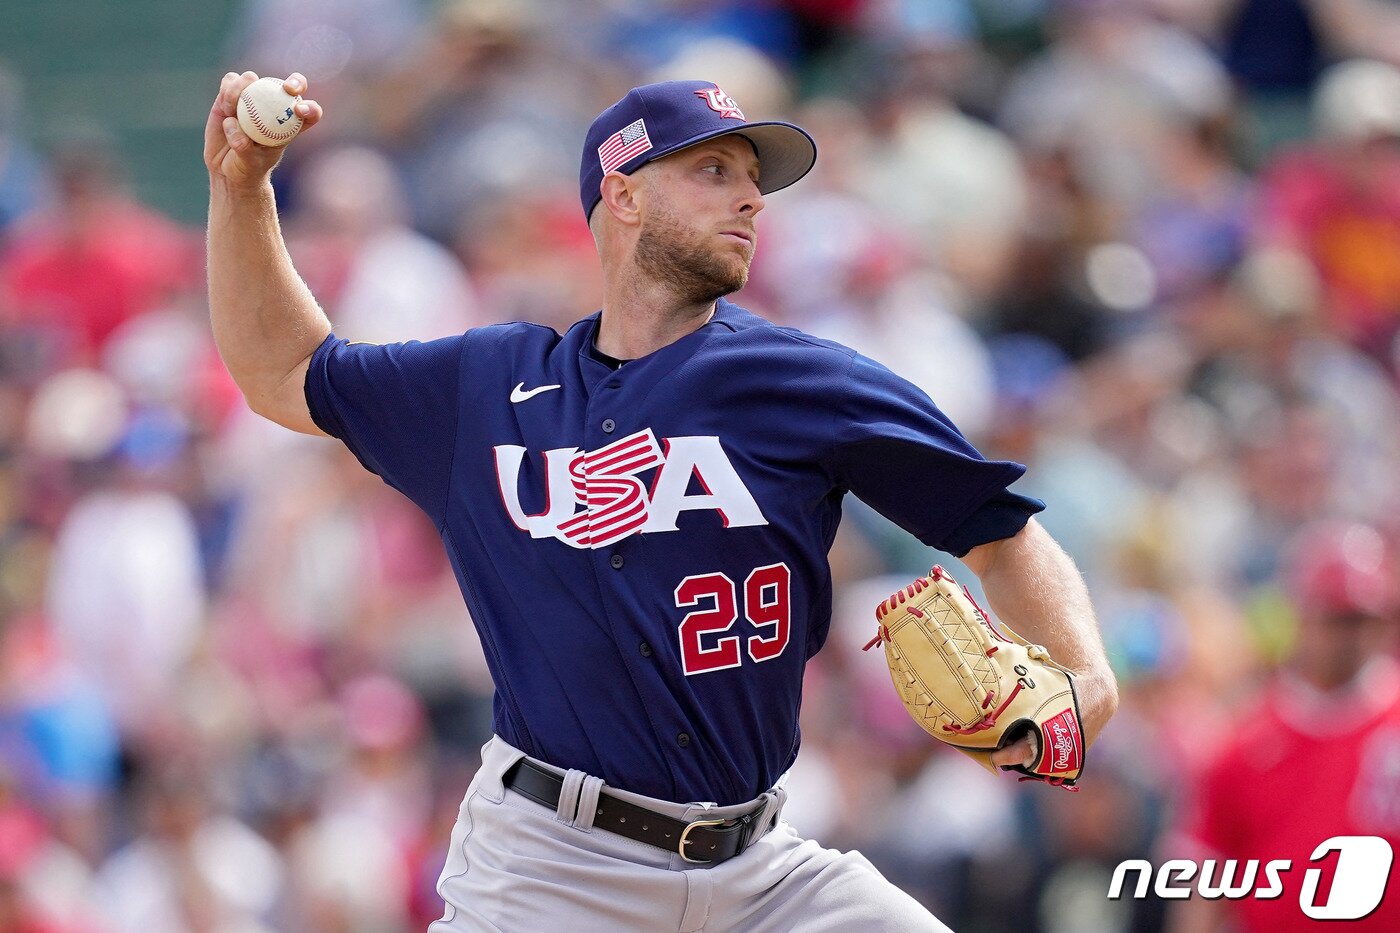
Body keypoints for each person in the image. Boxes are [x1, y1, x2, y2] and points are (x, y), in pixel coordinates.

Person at [205, 70, 1119, 931]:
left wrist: (1085, 678)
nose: (751, 198)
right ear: (624, 194)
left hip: (758, 868)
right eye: (714, 170)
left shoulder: (805, 383)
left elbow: (1002, 532)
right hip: (548, 867)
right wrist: (242, 189)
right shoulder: (484, 388)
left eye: (754, 179)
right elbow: (284, 368)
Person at [1171, 521, 1400, 932]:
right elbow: (1204, 881)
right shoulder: (1243, 743)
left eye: (1367, 619)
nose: (1355, 636)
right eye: (1340, 619)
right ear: (1304, 616)